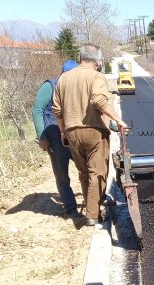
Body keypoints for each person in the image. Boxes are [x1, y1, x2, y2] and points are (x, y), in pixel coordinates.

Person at [52, 43, 128, 226]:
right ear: (99, 62)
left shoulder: (63, 79)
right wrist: (118, 119)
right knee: (98, 172)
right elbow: (98, 100)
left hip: (71, 132)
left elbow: (57, 109)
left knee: (84, 172)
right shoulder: (96, 76)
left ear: (80, 58)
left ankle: (92, 208)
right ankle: (93, 215)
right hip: (93, 130)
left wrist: (63, 132)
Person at [32, 59, 80, 218]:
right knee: (62, 176)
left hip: (75, 138)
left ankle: (95, 204)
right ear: (63, 74)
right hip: (55, 139)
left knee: (87, 171)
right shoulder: (50, 86)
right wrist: (42, 136)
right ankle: (71, 209)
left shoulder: (77, 87)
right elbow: (37, 110)